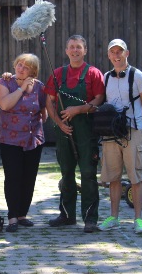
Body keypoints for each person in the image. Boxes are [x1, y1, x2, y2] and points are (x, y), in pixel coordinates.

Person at [44, 35, 105, 233]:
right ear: (66, 51)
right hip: (64, 131)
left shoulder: (94, 73)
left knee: (88, 173)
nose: (75, 50)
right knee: (66, 173)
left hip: (86, 129)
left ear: (85, 50)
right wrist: (59, 123)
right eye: (72, 47)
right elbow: (49, 102)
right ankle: (67, 215)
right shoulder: (57, 74)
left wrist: (78, 109)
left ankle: (90, 219)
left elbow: (99, 99)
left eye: (79, 47)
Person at [97, 38, 142, 234]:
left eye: (120, 51)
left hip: (132, 132)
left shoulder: (138, 76)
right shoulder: (106, 77)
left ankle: (138, 220)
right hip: (111, 134)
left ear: (127, 53)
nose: (117, 55)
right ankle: (113, 217)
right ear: (109, 55)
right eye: (113, 52)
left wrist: (132, 122)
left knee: (136, 176)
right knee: (113, 177)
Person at [0, 53, 47, 233]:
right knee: (13, 177)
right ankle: (12, 217)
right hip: (11, 139)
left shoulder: (40, 87)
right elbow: (5, 105)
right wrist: (22, 88)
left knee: (29, 177)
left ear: (33, 71)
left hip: (33, 139)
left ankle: (22, 214)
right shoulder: (4, 83)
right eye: (19, 64)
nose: (21, 68)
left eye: (26, 67)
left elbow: (44, 111)